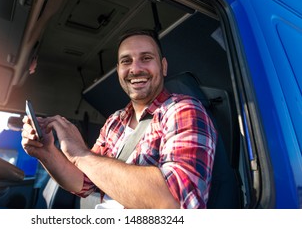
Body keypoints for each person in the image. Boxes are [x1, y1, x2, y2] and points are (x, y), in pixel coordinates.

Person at [21, 29, 217, 209]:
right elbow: (85, 182)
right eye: (126, 61)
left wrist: (80, 152)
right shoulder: (115, 121)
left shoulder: (183, 110)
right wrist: (47, 152)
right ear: (118, 71)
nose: (135, 69)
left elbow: (177, 203)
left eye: (146, 58)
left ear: (163, 66)